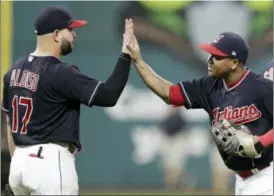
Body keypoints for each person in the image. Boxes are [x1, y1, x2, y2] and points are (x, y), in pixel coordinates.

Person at [1, 6, 134, 195]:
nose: (74, 35)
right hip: (50, 164)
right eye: (70, 30)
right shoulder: (60, 72)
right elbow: (108, 95)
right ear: (56, 34)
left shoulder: (13, 72)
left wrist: (21, 160)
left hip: (19, 164)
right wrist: (126, 54)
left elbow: (9, 121)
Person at [126, 28, 273, 195]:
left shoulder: (263, 88)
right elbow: (169, 93)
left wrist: (260, 142)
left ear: (234, 62)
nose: (210, 60)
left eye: (217, 56)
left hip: (267, 175)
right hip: (243, 179)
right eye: (210, 54)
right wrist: (138, 62)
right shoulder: (208, 87)